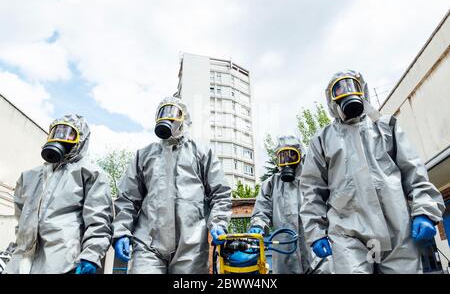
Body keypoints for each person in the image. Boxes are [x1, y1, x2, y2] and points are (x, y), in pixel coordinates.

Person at [299, 70, 445, 274]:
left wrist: (424, 210)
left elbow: (414, 172)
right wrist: (316, 232)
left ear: (363, 91)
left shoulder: (387, 127)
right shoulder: (322, 141)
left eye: (352, 87)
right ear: (332, 100)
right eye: (339, 90)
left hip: (398, 231)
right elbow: (311, 190)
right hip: (348, 235)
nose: (348, 93)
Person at [112, 96, 232, 274]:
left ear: (184, 119)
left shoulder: (201, 152)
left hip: (190, 245)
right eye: (163, 113)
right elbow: (128, 198)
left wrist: (219, 222)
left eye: (173, 113)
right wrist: (121, 230)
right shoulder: (144, 155)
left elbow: (220, 192)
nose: (167, 118)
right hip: (148, 244)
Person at [6, 115, 113, 274]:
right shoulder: (29, 176)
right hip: (21, 263)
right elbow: (21, 216)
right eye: (56, 132)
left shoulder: (90, 174)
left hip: (63, 264)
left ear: (81, 140)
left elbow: (98, 220)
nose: (60, 138)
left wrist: (91, 254)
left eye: (69, 133)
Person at [249, 135, 327, 274]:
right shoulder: (271, 184)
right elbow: (262, 211)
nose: (287, 162)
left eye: (292, 156)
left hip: (314, 249)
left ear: (301, 156)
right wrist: (257, 225)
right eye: (282, 157)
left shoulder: (312, 180)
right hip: (284, 254)